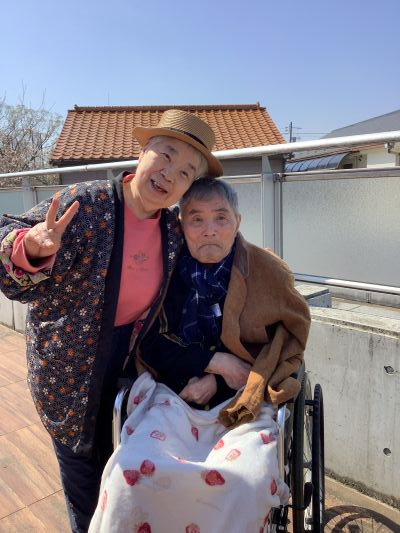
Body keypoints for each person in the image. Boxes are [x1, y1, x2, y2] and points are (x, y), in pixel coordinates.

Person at [0, 110, 223, 533]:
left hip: (130, 366)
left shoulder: (172, 230)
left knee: (124, 475)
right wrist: (31, 248)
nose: (170, 174)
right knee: (86, 489)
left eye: (186, 172)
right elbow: (9, 243)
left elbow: (217, 248)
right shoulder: (86, 204)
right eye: (166, 155)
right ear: (143, 151)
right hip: (68, 369)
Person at [89, 177, 311, 533]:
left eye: (221, 218)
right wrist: (212, 362)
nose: (209, 230)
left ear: (237, 222)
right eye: (197, 219)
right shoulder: (163, 270)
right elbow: (147, 341)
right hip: (173, 394)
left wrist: (220, 380)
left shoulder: (267, 271)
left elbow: (288, 340)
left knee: (246, 481)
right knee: (127, 474)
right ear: (181, 225)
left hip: (244, 400)